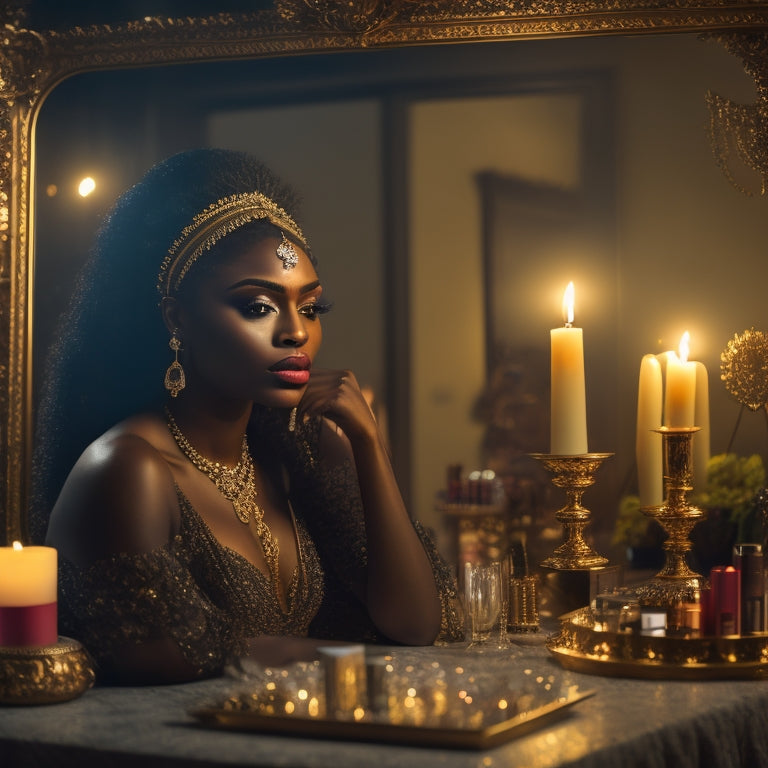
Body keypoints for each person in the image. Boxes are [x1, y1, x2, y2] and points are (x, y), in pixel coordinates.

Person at [35, 148, 462, 684]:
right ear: (178, 317)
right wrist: (360, 660)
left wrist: (368, 446)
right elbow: (170, 654)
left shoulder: (297, 451)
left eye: (310, 308)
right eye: (258, 307)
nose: (296, 333)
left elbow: (416, 623)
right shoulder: (128, 469)